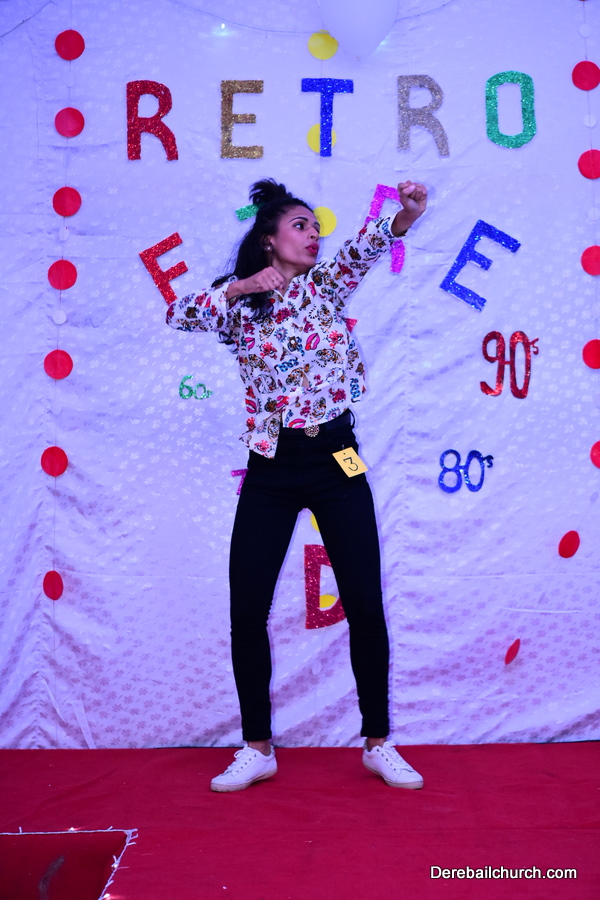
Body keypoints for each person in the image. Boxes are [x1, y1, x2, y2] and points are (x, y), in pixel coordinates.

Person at [166, 178, 428, 791]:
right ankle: (257, 747)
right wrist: (240, 287)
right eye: (301, 226)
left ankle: (378, 741)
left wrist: (405, 217)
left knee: (364, 601)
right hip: (272, 469)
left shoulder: (325, 286)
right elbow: (177, 313)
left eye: (316, 228)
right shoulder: (238, 309)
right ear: (269, 239)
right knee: (247, 607)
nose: (314, 236)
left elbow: (365, 247)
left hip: (337, 458)